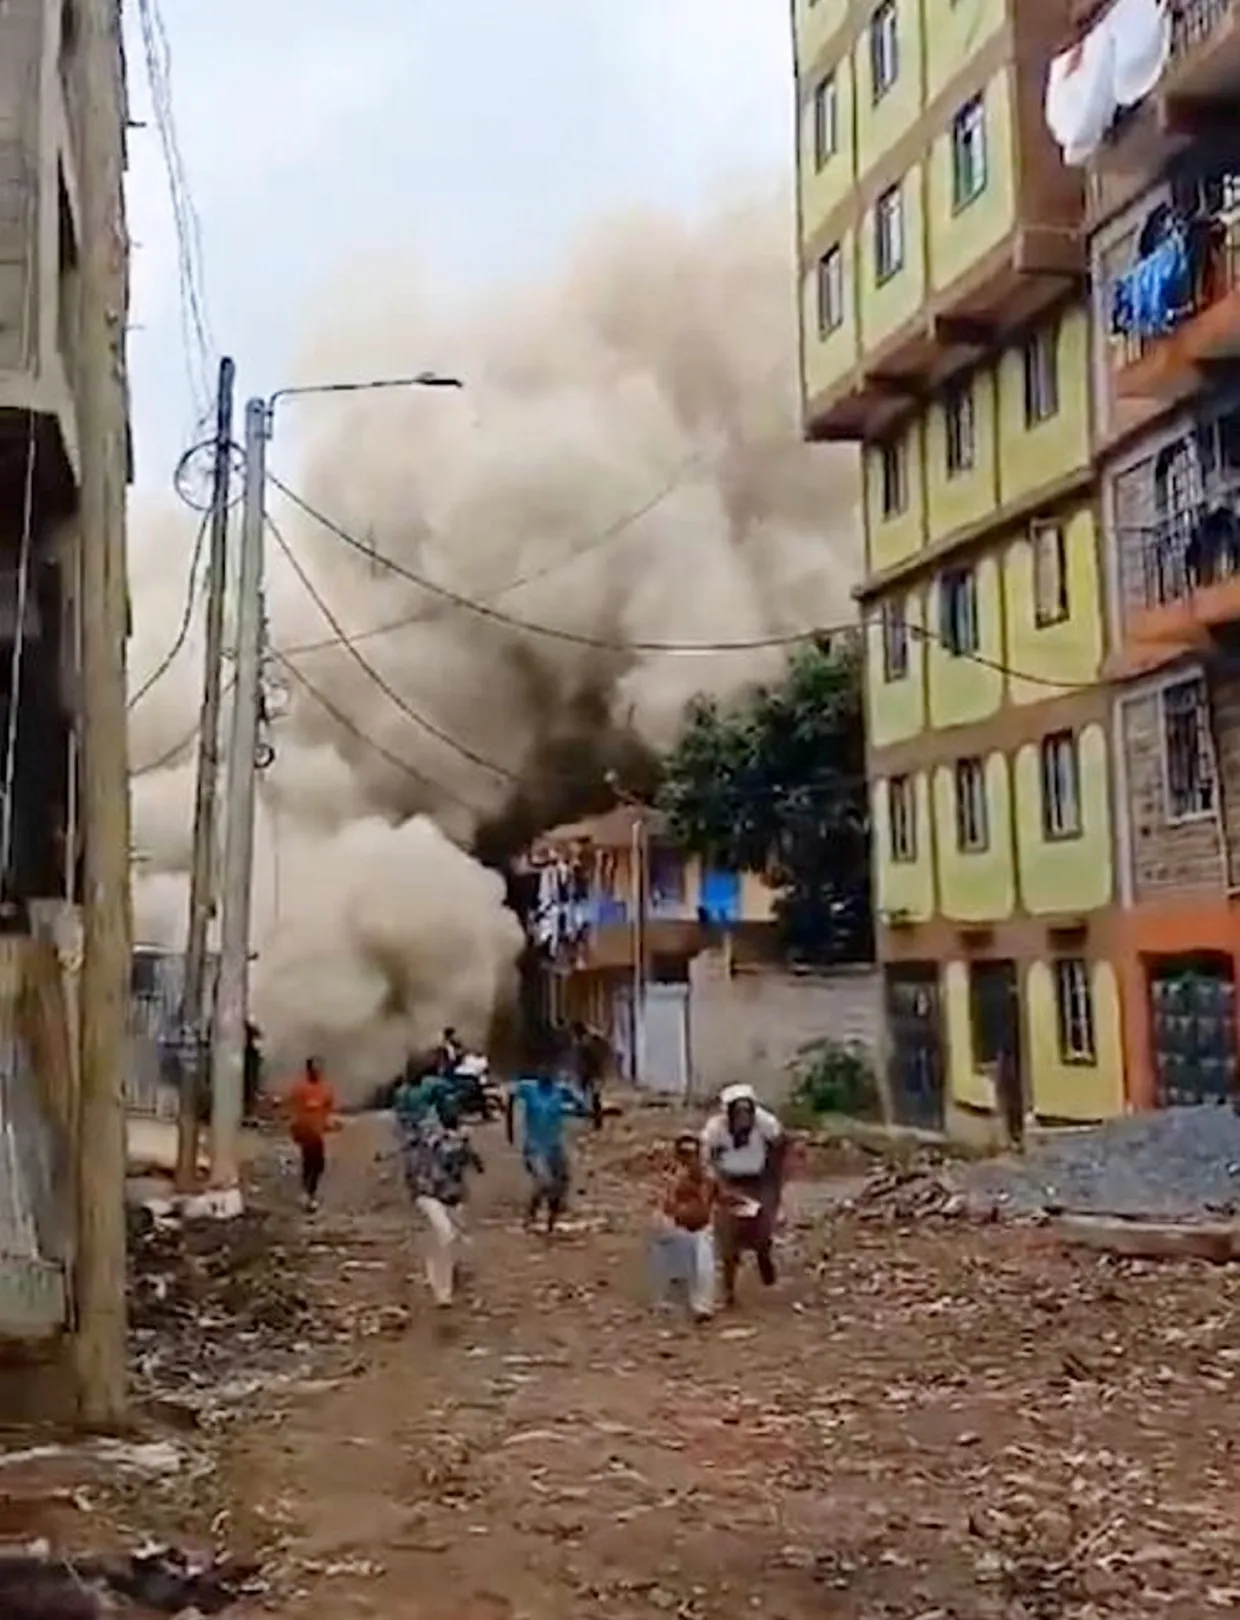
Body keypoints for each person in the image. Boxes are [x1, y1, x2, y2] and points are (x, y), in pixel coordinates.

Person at [701, 1082, 788, 1308]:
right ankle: (728, 1291)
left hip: (759, 1181)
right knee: (728, 1239)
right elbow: (707, 1160)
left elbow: (780, 1145)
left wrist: (774, 1182)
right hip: (729, 1182)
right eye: (737, 1113)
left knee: (762, 1228)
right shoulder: (715, 1130)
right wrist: (717, 1187)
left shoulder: (766, 1124)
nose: (743, 1118)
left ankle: (763, 1254)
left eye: (747, 1112)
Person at [408, 1095, 484, 1307]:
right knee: (445, 1234)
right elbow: (440, 1149)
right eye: (449, 1110)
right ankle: (442, 1292)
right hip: (429, 1192)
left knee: (453, 1240)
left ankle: (443, 1276)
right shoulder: (431, 1132)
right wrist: (461, 1142)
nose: (453, 1114)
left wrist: (469, 1150)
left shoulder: (459, 1135)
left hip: (453, 1195)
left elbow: (475, 1162)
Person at [506, 1069, 591, 1234]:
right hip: (534, 1147)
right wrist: (508, 1127)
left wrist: (579, 1111)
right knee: (543, 1183)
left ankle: (551, 1223)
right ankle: (530, 1216)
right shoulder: (528, 1088)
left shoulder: (561, 1091)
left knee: (560, 1184)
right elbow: (510, 1095)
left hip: (554, 1146)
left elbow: (581, 1106)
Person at [649, 1130, 716, 1323]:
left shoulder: (705, 1175)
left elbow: (714, 1196)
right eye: (684, 1152)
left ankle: (701, 1306)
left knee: (702, 1264)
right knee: (674, 1264)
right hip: (675, 1226)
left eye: (692, 1153)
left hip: (698, 1227)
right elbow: (664, 1203)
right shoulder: (671, 1174)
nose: (688, 1157)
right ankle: (672, 1301)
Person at [284, 1057, 337, 1212]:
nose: (318, 1070)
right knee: (311, 1162)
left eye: (319, 1067)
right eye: (315, 1067)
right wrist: (294, 1125)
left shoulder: (326, 1088)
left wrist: (328, 1122)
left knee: (318, 1165)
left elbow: (328, 1107)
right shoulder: (300, 1088)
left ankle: (308, 1192)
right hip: (306, 1131)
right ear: (309, 1070)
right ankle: (308, 1194)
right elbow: (291, 1107)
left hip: (317, 1132)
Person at [568, 1019, 609, 1130]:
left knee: (593, 1097)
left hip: (591, 1072)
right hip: (593, 1072)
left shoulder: (585, 1043)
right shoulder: (589, 1041)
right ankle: (595, 1121)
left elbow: (586, 1060)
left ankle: (596, 1121)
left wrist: (581, 1072)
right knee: (593, 1097)